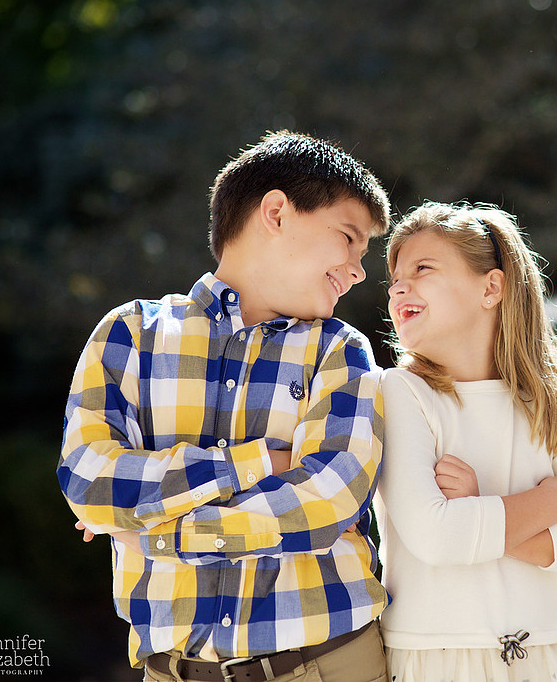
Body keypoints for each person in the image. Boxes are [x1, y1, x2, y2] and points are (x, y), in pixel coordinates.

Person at [58, 131, 392, 682]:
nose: (358, 270)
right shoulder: (130, 334)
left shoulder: (340, 349)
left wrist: (153, 532)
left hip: (329, 663)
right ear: (277, 212)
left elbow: (327, 502)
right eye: (349, 238)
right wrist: (260, 463)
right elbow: (91, 483)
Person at [374, 202, 557, 681]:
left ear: (491, 286)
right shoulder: (399, 392)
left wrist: (482, 508)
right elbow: (439, 537)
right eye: (394, 279)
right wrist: (549, 501)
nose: (399, 287)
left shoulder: (553, 403)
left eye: (422, 268)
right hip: (440, 661)